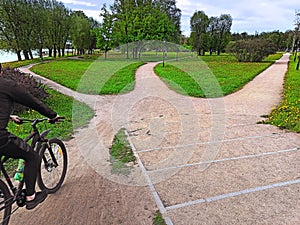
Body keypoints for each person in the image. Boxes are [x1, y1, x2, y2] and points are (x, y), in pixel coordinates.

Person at [0, 63, 59, 210]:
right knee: (32, 156)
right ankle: (30, 196)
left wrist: (9, 116)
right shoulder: (7, 85)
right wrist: (52, 115)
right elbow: (32, 101)